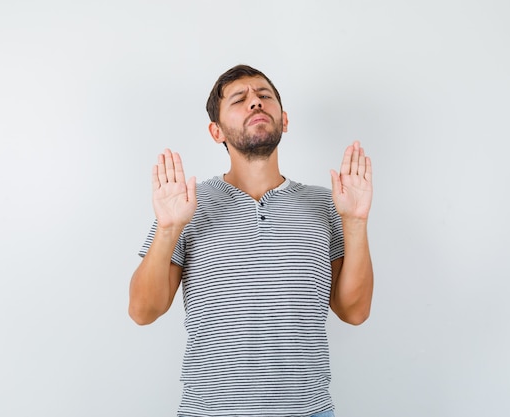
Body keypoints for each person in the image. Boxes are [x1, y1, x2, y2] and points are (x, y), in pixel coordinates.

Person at [129, 64, 374, 417]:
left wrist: (355, 220)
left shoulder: (327, 204)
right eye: (240, 99)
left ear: (284, 120)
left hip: (308, 410)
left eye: (264, 96)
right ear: (216, 131)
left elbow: (354, 312)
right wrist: (168, 228)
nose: (255, 104)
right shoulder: (186, 205)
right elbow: (142, 311)